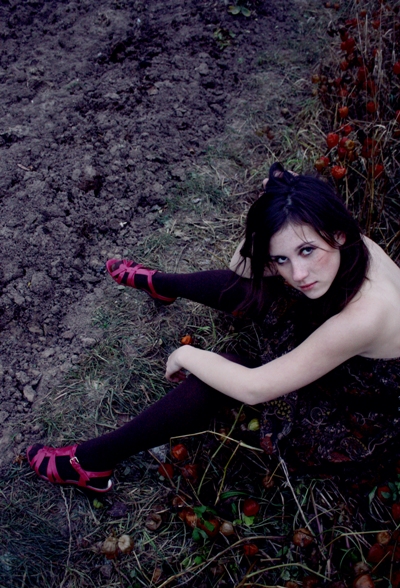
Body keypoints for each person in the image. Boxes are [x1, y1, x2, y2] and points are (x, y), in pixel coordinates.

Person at [27, 163, 400, 492]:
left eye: (306, 251)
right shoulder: (340, 241)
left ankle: (91, 463)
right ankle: (164, 285)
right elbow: (242, 267)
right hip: (344, 354)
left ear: (338, 234)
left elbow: (254, 388)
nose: (298, 274)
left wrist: (187, 354)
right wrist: (269, 211)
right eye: (281, 258)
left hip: (354, 410)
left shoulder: (365, 315)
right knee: (254, 286)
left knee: (221, 374)